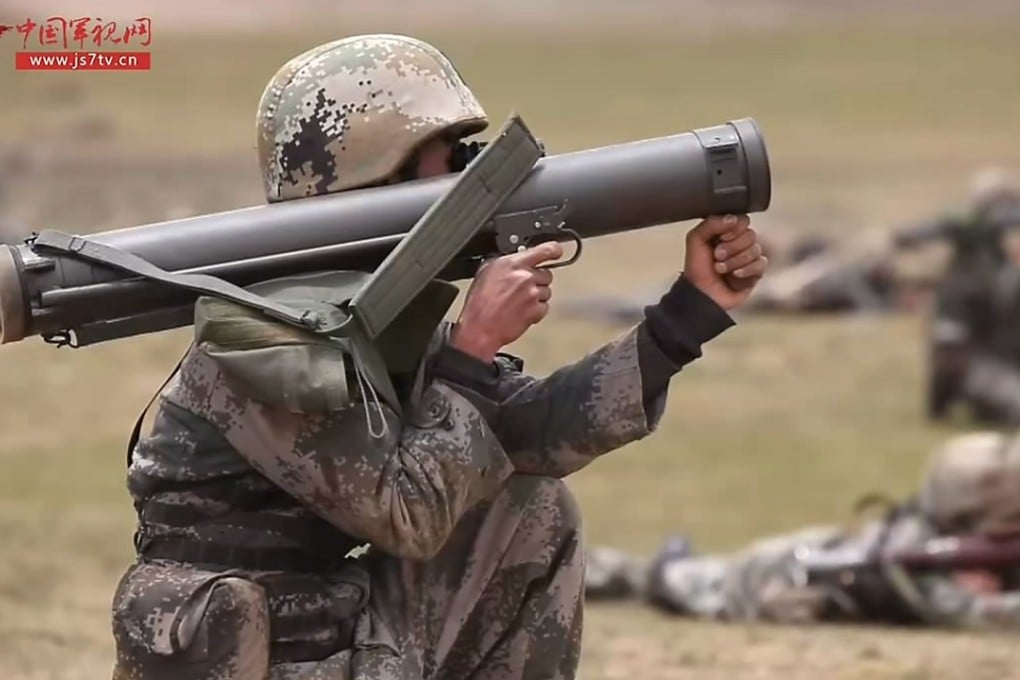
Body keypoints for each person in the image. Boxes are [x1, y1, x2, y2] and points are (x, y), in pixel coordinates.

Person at [109, 34, 769, 680]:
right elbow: (408, 516)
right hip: (260, 659)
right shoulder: (268, 342)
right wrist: (472, 348)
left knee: (532, 512)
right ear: (378, 170)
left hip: (339, 643)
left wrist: (686, 315)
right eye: (448, 155)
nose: (468, 174)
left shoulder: (368, 313)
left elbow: (524, 434)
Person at [586, 431, 1020, 629]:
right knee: (659, 578)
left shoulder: (927, 539)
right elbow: (971, 613)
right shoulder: (914, 558)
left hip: (795, 557)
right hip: (764, 581)